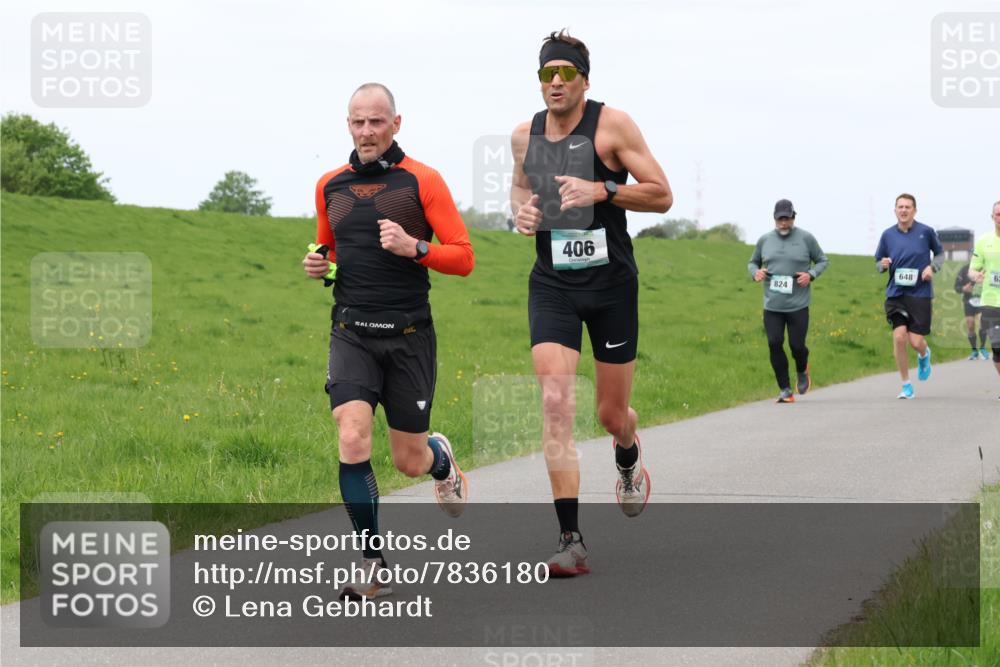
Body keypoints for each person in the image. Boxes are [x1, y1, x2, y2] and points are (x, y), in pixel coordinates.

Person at [510, 30, 672, 577]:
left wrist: (603, 190)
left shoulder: (612, 126)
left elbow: (661, 193)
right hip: (552, 282)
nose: (555, 82)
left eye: (565, 73)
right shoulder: (524, 135)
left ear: (584, 78)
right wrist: (523, 213)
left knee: (609, 414)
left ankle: (627, 452)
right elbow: (517, 188)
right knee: (556, 400)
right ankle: (570, 540)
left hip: (610, 286)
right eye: (546, 73)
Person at [303, 83, 475, 598]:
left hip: (408, 337)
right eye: (357, 122)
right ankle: (373, 562)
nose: (366, 132)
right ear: (348, 124)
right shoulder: (328, 185)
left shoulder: (422, 180)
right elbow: (333, 255)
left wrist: (414, 245)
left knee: (408, 460)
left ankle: (439, 459)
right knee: (352, 436)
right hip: (351, 332)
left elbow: (463, 257)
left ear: (396, 124)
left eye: (376, 122)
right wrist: (320, 266)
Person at [748, 199, 829, 403]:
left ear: (794, 217)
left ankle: (802, 369)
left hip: (798, 304)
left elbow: (822, 260)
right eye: (780, 218)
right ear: (775, 219)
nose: (784, 222)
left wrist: (810, 275)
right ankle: (784, 389)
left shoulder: (806, 238)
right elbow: (752, 262)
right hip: (772, 304)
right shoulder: (765, 240)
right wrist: (755, 272)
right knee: (774, 343)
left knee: (797, 346)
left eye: (787, 218)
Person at [874, 193, 943, 399]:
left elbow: (939, 255)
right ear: (895, 210)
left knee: (915, 342)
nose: (903, 210)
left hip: (920, 293)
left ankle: (924, 354)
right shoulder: (887, 235)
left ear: (914, 210)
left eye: (907, 207)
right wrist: (882, 264)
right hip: (896, 293)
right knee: (899, 337)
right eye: (900, 207)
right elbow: (878, 261)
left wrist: (932, 268)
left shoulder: (926, 232)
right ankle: (906, 385)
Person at [968, 200, 1000, 397]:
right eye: (997, 214)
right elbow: (973, 269)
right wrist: (975, 276)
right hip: (990, 301)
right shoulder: (983, 241)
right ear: (992, 217)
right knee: (997, 348)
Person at [954, 261, 989, 360]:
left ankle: (982, 348)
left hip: (983, 300)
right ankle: (974, 351)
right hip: (969, 301)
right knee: (970, 325)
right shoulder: (965, 270)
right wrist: (963, 289)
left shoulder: (987, 269)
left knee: (982, 323)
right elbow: (956, 287)